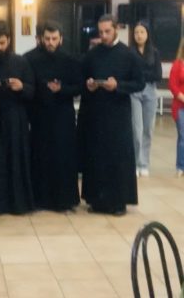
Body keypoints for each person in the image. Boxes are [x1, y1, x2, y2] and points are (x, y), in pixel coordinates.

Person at [80, 14, 144, 216]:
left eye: (107, 31)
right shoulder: (92, 54)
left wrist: (118, 85)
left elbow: (139, 83)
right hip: (96, 114)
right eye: (101, 32)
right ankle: (96, 200)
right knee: (97, 156)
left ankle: (118, 202)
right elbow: (82, 78)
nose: (104, 36)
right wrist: (89, 84)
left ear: (116, 29)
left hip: (118, 114)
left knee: (118, 157)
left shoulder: (129, 54)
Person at [0, 21, 35, 214]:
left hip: (16, 118)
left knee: (16, 160)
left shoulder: (21, 62)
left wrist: (21, 87)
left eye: (2, 43)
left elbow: (32, 91)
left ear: (8, 40)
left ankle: (18, 203)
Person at [27, 21, 81, 212]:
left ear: (61, 39)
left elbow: (78, 87)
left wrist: (61, 89)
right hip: (39, 116)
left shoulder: (70, 60)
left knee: (63, 158)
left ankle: (63, 200)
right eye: (47, 38)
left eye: (54, 39)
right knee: (40, 157)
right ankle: (39, 199)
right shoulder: (29, 59)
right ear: (41, 38)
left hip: (62, 116)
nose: (50, 42)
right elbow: (28, 87)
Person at [130, 21, 162, 177]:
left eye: (142, 32)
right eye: (136, 32)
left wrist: (141, 75)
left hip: (150, 90)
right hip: (134, 91)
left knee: (148, 129)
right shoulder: (130, 52)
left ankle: (144, 163)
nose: (139, 35)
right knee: (137, 129)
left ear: (147, 34)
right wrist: (142, 75)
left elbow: (157, 75)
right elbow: (129, 73)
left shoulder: (154, 52)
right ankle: (136, 162)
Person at [169, 39, 184, 177]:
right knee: (183, 135)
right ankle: (181, 166)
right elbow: (173, 86)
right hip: (180, 106)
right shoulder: (177, 64)